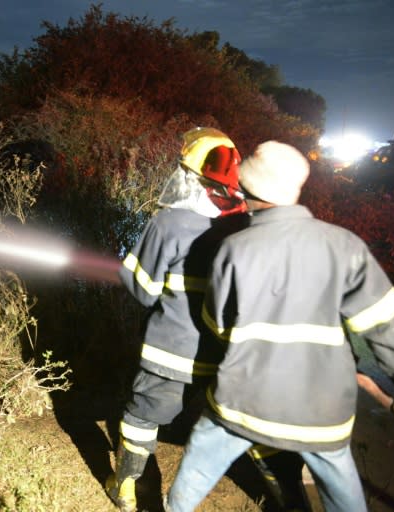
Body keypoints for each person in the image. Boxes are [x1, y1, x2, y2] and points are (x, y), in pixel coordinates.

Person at [164, 141, 394, 512]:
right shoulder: (344, 245)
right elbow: (387, 329)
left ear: (246, 189)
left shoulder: (234, 249)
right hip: (323, 410)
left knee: (198, 464)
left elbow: (217, 324)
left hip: (246, 401)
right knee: (342, 488)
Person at [107, 128, 306, 512]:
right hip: (230, 357)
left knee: (141, 415)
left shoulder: (168, 223)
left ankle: (125, 488)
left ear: (187, 173)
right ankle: (291, 500)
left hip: (171, 354)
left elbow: (143, 289)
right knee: (254, 428)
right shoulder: (244, 225)